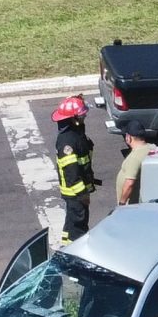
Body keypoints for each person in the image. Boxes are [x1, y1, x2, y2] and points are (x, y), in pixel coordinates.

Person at [52, 96, 101, 242]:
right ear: (73, 119)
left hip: (77, 194)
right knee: (78, 228)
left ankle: (66, 247)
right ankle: (76, 253)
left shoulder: (76, 134)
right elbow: (72, 173)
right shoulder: (68, 141)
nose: (84, 117)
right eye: (82, 115)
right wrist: (82, 194)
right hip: (75, 194)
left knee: (71, 225)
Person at [115, 131, 152, 206]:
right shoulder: (152, 147)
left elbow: (129, 183)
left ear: (128, 138)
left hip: (132, 205)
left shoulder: (134, 158)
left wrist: (122, 203)